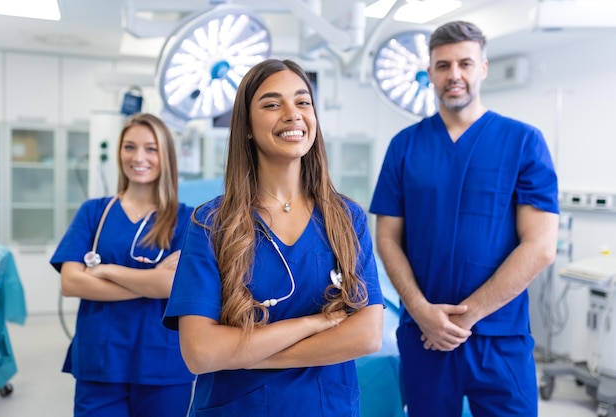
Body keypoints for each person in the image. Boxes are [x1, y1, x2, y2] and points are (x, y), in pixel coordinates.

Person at [163, 58, 384, 417]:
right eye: (271, 103)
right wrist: (314, 323)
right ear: (247, 127)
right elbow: (201, 352)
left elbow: (367, 334)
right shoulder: (210, 223)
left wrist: (250, 354)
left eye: (302, 102)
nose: (292, 114)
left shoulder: (346, 218)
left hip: (326, 407)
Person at [369, 21, 560, 417]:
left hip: (499, 337)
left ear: (483, 68)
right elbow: (386, 237)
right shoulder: (404, 146)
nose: (454, 75)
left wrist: (462, 319)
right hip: (424, 335)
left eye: (465, 63)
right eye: (443, 65)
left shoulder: (523, 142)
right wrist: (423, 312)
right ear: (430, 73)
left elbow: (540, 246)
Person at [50, 113, 195, 417]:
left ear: (166, 155)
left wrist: (104, 271)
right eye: (129, 147)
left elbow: (173, 286)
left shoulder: (188, 220)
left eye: (150, 148)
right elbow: (71, 283)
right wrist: (151, 281)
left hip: (161, 364)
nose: (138, 157)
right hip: (101, 359)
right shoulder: (95, 212)